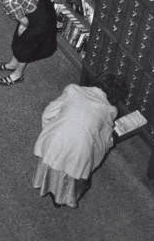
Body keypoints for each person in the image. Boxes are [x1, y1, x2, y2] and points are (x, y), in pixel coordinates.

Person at [32, 74, 127, 208]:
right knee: (71, 175)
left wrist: (49, 130)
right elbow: (104, 140)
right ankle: (61, 199)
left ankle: (45, 185)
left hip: (54, 140)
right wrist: (109, 143)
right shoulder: (110, 110)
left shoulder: (73, 90)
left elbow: (48, 113)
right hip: (78, 151)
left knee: (50, 163)